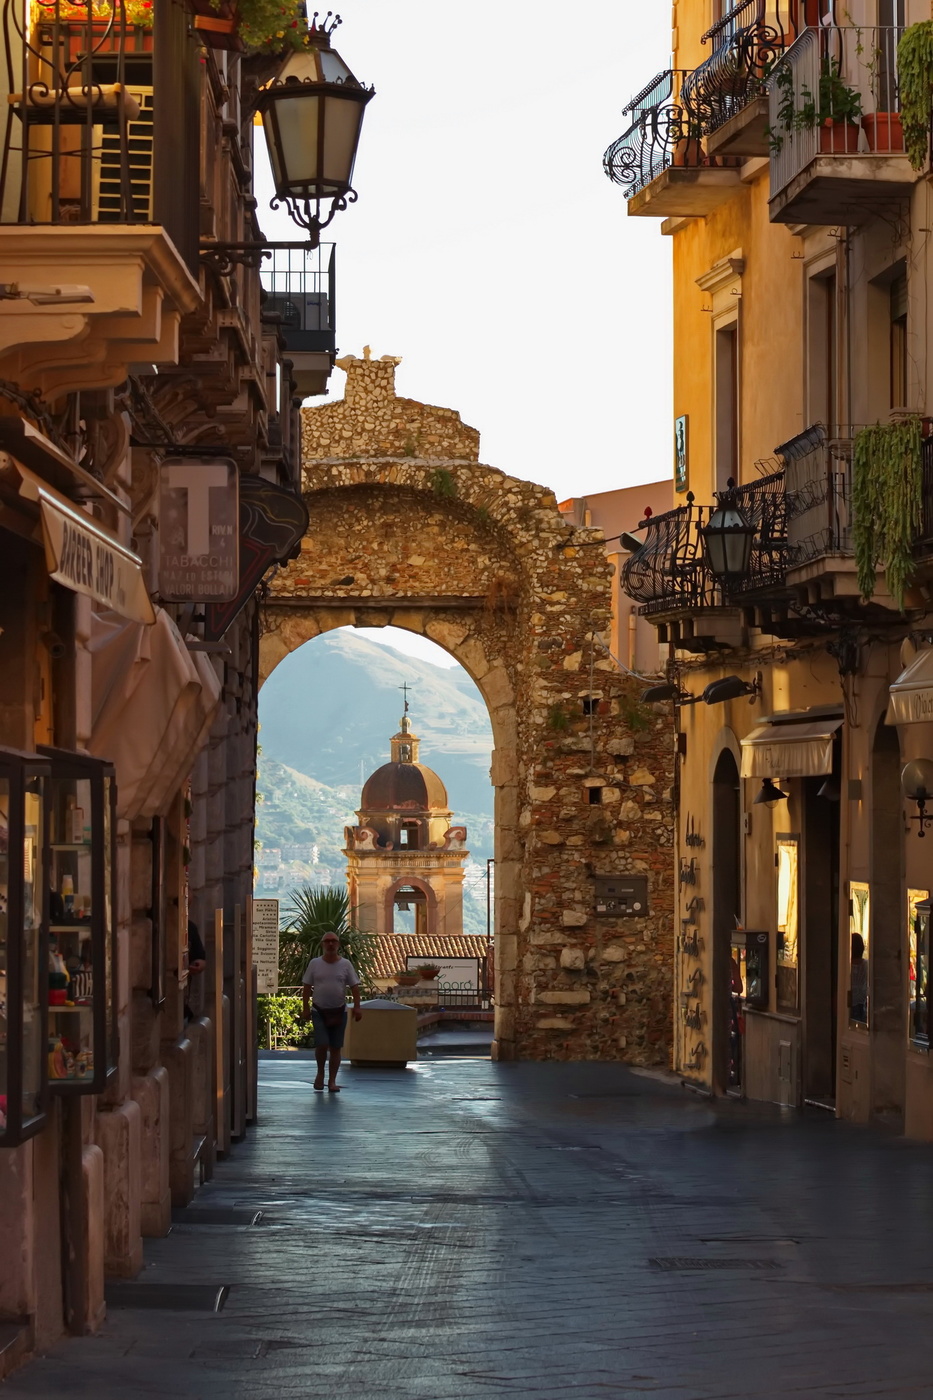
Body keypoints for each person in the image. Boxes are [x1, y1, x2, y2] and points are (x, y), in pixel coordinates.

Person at [301, 932, 362, 1092]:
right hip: (319, 1011)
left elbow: (355, 987)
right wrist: (305, 1008)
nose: (330, 944)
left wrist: (357, 1007)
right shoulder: (314, 964)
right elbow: (306, 987)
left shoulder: (346, 964)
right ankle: (320, 1074)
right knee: (322, 1044)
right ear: (322, 944)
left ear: (338, 945)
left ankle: (332, 1081)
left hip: (339, 1011)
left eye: (333, 941)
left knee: (336, 1047)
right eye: (327, 941)